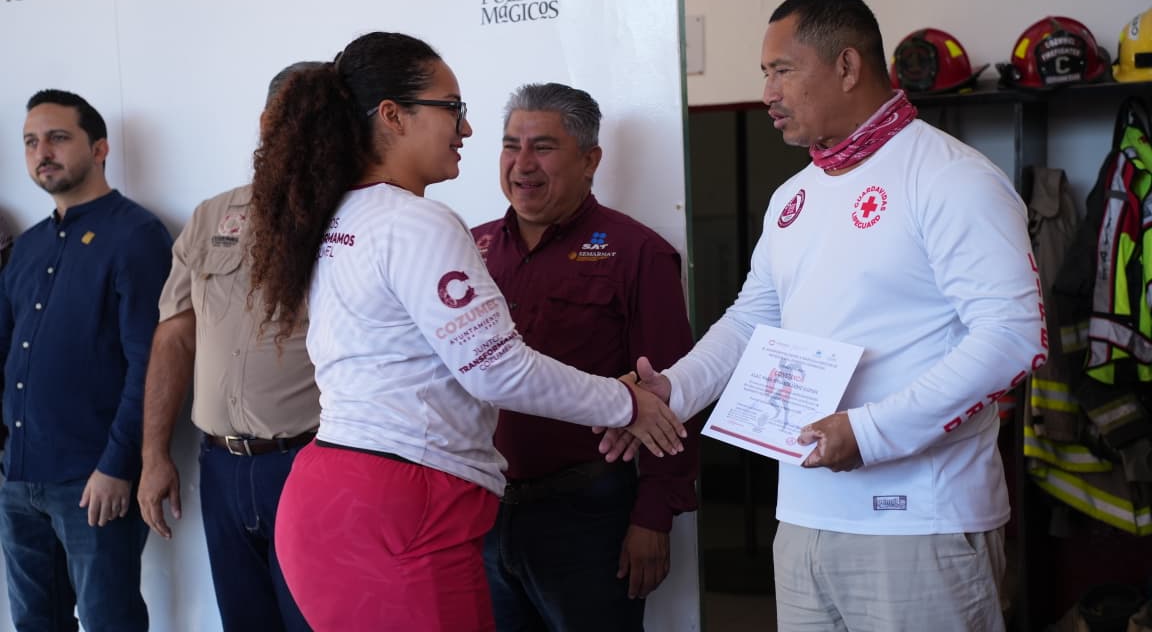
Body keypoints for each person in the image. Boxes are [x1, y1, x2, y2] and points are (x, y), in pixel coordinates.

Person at [611, 0, 1048, 630]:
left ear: (847, 67)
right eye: (765, 74)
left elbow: (1012, 337)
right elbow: (751, 320)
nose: (767, 93)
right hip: (804, 520)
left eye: (782, 70)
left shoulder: (952, 177)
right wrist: (672, 391)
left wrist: (869, 433)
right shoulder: (794, 196)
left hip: (919, 524)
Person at [243, 32, 686, 632]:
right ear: (394, 116)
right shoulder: (417, 222)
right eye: (452, 108)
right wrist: (627, 402)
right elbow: (497, 370)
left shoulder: (339, 212)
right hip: (402, 504)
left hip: (333, 493)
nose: (466, 129)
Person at [471, 82, 698, 630]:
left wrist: (654, 516)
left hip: (587, 516)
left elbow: (673, 392)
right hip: (481, 513)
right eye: (511, 146)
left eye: (543, 147)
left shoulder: (637, 252)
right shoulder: (467, 249)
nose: (523, 164)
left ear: (590, 160)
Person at [137, 62, 326, 632]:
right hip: (220, 466)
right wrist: (153, 455)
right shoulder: (212, 216)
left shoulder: (347, 219)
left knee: (314, 620)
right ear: (266, 122)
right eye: (288, 118)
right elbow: (175, 334)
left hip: (310, 463)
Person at [0, 89, 172, 631]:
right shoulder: (28, 248)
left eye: (57, 138)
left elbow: (149, 364)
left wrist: (117, 466)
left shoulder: (136, 235)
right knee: (35, 623)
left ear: (99, 149)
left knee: (108, 622)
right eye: (31, 142)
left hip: (93, 482)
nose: (42, 152)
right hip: (18, 479)